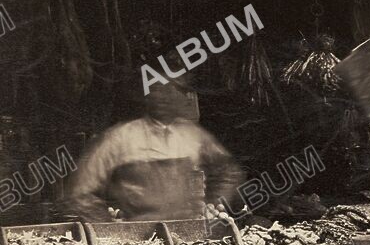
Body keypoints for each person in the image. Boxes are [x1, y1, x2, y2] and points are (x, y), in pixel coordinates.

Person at [65, 72, 244, 222]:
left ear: (183, 96)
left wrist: (213, 206)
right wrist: (111, 230)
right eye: (157, 88)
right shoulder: (119, 138)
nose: (163, 96)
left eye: (172, 88)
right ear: (146, 95)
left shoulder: (193, 136)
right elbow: (80, 194)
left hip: (190, 237)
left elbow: (229, 171)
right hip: (142, 241)